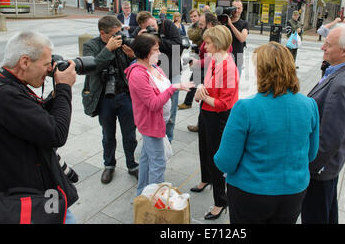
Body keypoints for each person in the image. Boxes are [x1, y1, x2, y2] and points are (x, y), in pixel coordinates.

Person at [0, 31, 79, 223]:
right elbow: (56, 133)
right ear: (25, 62)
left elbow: (32, 119)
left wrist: (54, 96)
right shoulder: (6, 96)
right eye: (46, 64)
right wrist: (64, 87)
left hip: (24, 191)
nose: (50, 69)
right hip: (32, 201)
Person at [214, 42, 319, 224]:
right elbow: (311, 154)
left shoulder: (245, 107)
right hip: (293, 191)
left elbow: (226, 161)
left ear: (262, 71)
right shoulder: (310, 105)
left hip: (251, 191)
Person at [301, 23, 345, 224]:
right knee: (327, 212)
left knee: (316, 215)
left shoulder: (341, 84)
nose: (323, 47)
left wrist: (310, 167)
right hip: (328, 167)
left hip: (321, 170)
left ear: (344, 50)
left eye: (328, 45)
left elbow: (330, 136)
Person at [125, 34, 194, 195]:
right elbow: (153, 104)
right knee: (158, 162)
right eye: (155, 50)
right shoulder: (138, 74)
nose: (159, 53)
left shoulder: (155, 67)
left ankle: (142, 192)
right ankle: (155, 199)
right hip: (150, 123)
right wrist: (174, 88)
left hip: (159, 121)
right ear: (144, 52)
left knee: (146, 159)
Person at [82, 16, 138, 184]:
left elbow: (133, 68)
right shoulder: (90, 46)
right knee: (108, 135)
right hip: (104, 97)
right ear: (103, 33)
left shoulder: (121, 43)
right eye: (114, 34)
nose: (118, 36)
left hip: (124, 94)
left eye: (119, 32)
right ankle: (109, 165)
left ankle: (132, 164)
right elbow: (92, 67)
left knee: (130, 134)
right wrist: (108, 49)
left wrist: (132, 56)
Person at [194, 25, 239, 220]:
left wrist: (202, 96)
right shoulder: (215, 60)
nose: (205, 46)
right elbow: (207, 85)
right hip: (206, 112)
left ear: (218, 43)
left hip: (218, 116)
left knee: (216, 158)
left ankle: (220, 202)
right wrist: (201, 89)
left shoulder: (228, 66)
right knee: (203, 148)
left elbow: (224, 103)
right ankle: (206, 179)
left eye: (209, 42)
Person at [133, 11, 182, 143]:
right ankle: (154, 136)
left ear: (155, 19)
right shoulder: (140, 31)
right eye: (148, 27)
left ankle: (168, 140)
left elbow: (178, 46)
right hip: (152, 73)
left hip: (172, 71)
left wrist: (155, 39)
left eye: (153, 25)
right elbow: (134, 51)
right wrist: (140, 39)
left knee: (170, 111)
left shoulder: (168, 25)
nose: (152, 28)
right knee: (155, 108)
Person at [178, 9, 202, 111]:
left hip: (203, 55)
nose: (193, 18)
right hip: (195, 54)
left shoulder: (200, 26)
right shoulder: (193, 27)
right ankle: (188, 102)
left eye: (195, 16)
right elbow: (191, 36)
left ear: (199, 16)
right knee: (195, 79)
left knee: (194, 80)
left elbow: (194, 35)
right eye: (191, 17)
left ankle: (188, 102)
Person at [227, 0, 248, 75]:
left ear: (242, 9)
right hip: (224, 58)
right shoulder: (223, 21)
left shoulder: (244, 23)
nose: (236, 10)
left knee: (235, 85)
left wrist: (230, 25)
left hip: (238, 59)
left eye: (239, 8)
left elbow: (242, 39)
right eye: (234, 8)